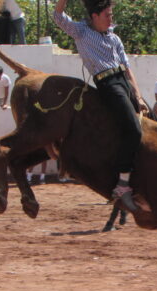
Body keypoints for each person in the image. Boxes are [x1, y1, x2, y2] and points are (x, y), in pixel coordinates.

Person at [53, 0, 149, 212]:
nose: (111, 17)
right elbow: (58, 17)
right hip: (107, 83)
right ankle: (122, 184)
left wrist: (139, 97)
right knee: (133, 130)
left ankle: (143, 181)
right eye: (107, 14)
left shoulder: (114, 38)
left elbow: (127, 69)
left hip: (123, 83)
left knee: (150, 124)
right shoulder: (82, 32)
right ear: (94, 16)